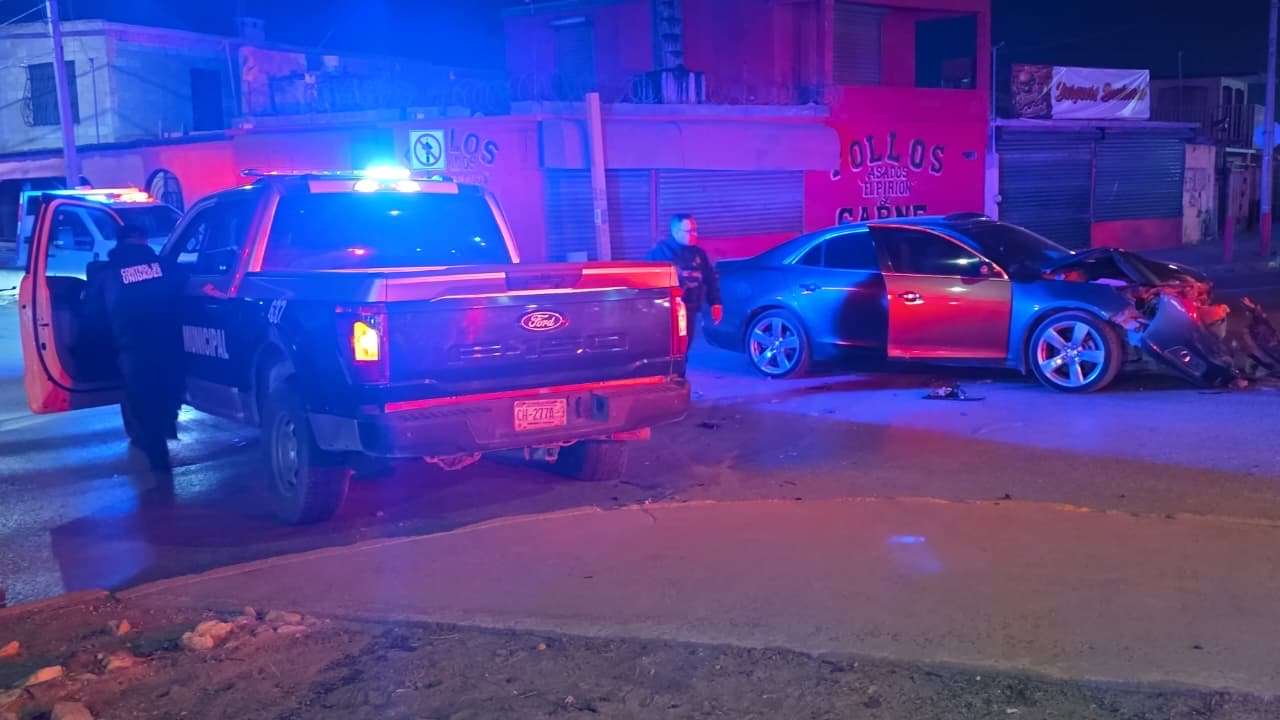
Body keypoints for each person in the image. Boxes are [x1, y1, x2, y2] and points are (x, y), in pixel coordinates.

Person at [83, 224, 186, 474]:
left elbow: (93, 318)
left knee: (142, 402)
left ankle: (158, 461)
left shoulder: (106, 274)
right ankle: (166, 423)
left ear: (119, 242)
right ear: (144, 239)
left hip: (132, 349)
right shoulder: (165, 267)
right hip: (169, 346)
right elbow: (185, 287)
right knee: (168, 393)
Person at [646, 214, 722, 348]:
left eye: (695, 230)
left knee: (684, 347)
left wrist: (716, 303)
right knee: (668, 348)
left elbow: (710, 279)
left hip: (690, 309)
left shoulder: (698, 253)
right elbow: (648, 282)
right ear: (676, 232)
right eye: (690, 231)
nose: (695, 234)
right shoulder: (660, 253)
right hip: (666, 312)